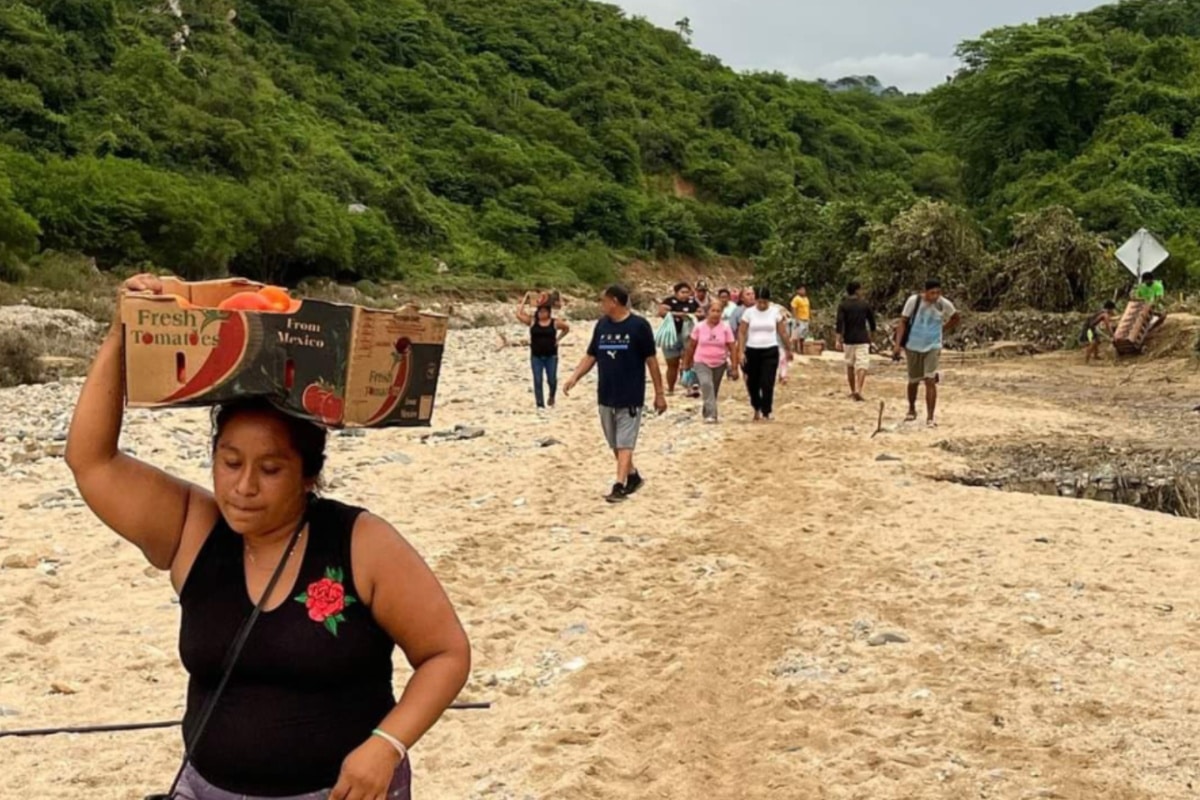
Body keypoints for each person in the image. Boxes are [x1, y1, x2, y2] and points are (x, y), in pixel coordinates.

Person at [65, 274, 471, 800]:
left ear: (308, 474)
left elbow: (446, 653)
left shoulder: (360, 543)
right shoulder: (192, 527)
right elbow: (90, 460)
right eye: (230, 463)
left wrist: (386, 744)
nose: (244, 487)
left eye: (271, 469)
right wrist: (124, 330)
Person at [564, 284, 667, 503]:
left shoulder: (639, 326)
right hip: (605, 394)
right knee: (615, 443)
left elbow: (652, 361)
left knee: (625, 442)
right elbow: (591, 355)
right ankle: (633, 476)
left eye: (604, 300)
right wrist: (575, 377)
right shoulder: (601, 325)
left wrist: (659, 393)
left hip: (631, 394)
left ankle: (619, 485)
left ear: (615, 302)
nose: (601, 305)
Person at [893, 279, 960, 427]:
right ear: (925, 292)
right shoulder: (914, 301)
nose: (935, 296)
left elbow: (956, 317)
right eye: (932, 293)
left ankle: (930, 417)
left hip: (933, 345)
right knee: (913, 380)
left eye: (938, 292)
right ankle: (911, 409)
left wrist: (943, 329)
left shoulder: (944, 304)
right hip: (913, 345)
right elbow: (903, 321)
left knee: (930, 380)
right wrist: (897, 345)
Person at [736, 287, 790, 422]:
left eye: (764, 302)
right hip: (752, 350)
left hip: (770, 350)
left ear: (768, 301)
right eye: (759, 302)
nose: (761, 305)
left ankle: (767, 410)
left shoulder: (775, 312)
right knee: (753, 382)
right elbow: (742, 332)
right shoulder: (749, 313)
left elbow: (782, 332)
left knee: (767, 382)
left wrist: (789, 348)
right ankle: (756, 408)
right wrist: (740, 351)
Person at [681, 301, 738, 423]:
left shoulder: (725, 328)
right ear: (707, 313)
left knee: (713, 390)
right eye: (713, 311)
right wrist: (686, 362)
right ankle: (712, 415)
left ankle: (707, 410)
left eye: (718, 311)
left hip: (719, 363)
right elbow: (691, 346)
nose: (716, 314)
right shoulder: (699, 327)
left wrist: (734, 367)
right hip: (701, 361)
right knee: (707, 384)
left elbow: (732, 347)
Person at [516, 294, 570, 409]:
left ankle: (551, 395)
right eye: (540, 312)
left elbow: (566, 328)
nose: (542, 314)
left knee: (552, 379)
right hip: (536, 356)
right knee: (537, 380)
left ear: (549, 312)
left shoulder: (554, 322)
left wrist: (558, 339)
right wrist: (524, 300)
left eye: (544, 312)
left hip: (551, 356)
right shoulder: (532, 322)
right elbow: (519, 315)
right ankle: (540, 404)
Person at [835, 281, 877, 402]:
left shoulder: (843, 305)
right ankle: (859, 389)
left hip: (848, 339)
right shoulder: (864, 304)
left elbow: (839, 323)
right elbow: (872, 322)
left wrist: (838, 339)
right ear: (857, 290)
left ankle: (853, 390)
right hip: (862, 338)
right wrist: (872, 337)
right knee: (862, 364)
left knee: (850, 365)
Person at [657, 282, 700, 395]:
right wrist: (678, 314)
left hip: (688, 335)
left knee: (688, 361)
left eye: (687, 292)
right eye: (682, 292)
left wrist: (692, 315)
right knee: (672, 363)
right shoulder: (669, 301)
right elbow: (662, 312)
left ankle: (689, 386)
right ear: (676, 293)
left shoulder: (692, 302)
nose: (685, 295)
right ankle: (671, 388)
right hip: (672, 335)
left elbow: (701, 313)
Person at [1079, 300, 1117, 364]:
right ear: (1110, 309)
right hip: (1088, 328)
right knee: (1093, 343)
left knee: (1097, 341)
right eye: (1112, 309)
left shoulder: (1102, 311)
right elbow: (1108, 326)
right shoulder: (1105, 314)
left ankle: (1096, 356)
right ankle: (1086, 361)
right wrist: (1112, 335)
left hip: (1091, 326)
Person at [789, 285, 811, 354]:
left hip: (806, 319)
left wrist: (809, 318)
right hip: (799, 319)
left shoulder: (806, 299)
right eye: (801, 290)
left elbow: (808, 309)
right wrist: (796, 319)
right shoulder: (796, 299)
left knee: (803, 335)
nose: (803, 291)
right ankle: (795, 349)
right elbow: (793, 309)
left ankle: (801, 349)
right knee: (796, 335)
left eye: (804, 290)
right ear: (798, 291)